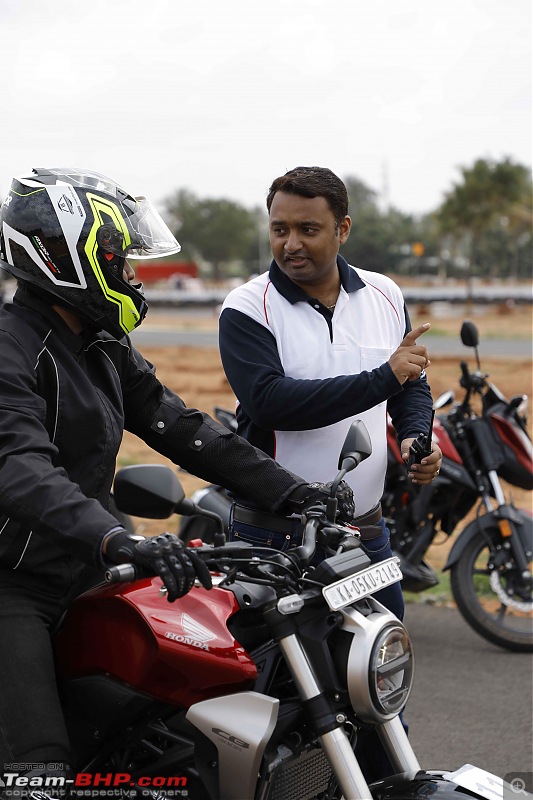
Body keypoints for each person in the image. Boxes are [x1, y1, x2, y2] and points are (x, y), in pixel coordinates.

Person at [0, 167, 351, 795]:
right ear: (67, 260)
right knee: (43, 773)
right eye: (119, 259)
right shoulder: (9, 348)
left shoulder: (100, 343)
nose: (131, 273)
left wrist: (295, 493)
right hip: (15, 585)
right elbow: (21, 468)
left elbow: (183, 428)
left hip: (90, 569)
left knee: (170, 711)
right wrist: (119, 539)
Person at [219, 166, 443, 779]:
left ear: (343, 229)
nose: (291, 243)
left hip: (367, 540)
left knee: (380, 696)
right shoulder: (248, 307)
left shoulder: (384, 294)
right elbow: (270, 401)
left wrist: (418, 437)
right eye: (280, 229)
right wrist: (385, 377)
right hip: (276, 542)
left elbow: (410, 382)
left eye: (309, 229)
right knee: (289, 711)